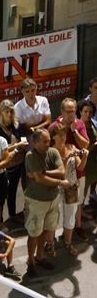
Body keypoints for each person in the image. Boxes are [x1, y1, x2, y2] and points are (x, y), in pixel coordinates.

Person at [24, 129, 70, 276]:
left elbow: (62, 171)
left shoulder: (53, 152)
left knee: (45, 230)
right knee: (34, 232)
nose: (48, 143)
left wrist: (43, 172)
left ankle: (40, 256)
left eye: (49, 140)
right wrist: (59, 182)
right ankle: (31, 261)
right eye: (45, 141)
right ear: (35, 142)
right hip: (36, 200)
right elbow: (40, 179)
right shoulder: (30, 156)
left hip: (52, 199)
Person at [49, 98, 89, 240]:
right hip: (58, 177)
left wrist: (74, 131)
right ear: (62, 111)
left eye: (73, 111)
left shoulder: (79, 124)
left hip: (76, 173)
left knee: (76, 204)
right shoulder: (54, 127)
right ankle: (51, 240)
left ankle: (76, 228)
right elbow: (48, 149)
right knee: (56, 210)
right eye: (68, 111)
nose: (72, 114)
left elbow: (85, 145)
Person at [50, 124, 88, 256]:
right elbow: (59, 172)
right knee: (54, 217)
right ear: (53, 137)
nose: (63, 137)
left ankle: (68, 242)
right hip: (56, 188)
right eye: (59, 135)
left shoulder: (71, 147)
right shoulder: (51, 152)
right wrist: (66, 159)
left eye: (64, 134)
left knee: (70, 216)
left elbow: (80, 167)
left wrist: (85, 156)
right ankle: (50, 244)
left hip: (71, 187)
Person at [0, 99, 28, 222]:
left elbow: (21, 138)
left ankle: (12, 215)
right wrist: (16, 145)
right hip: (4, 166)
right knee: (1, 194)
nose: (9, 114)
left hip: (17, 163)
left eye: (11, 112)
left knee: (13, 191)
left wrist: (22, 143)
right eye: (7, 112)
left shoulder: (16, 124)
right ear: (1, 113)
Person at [77, 98, 97, 203]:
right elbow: (79, 148)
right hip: (83, 162)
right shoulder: (77, 126)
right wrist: (94, 145)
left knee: (92, 183)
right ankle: (81, 210)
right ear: (80, 112)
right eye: (85, 111)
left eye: (90, 112)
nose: (88, 114)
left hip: (94, 161)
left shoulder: (93, 124)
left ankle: (89, 202)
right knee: (82, 190)